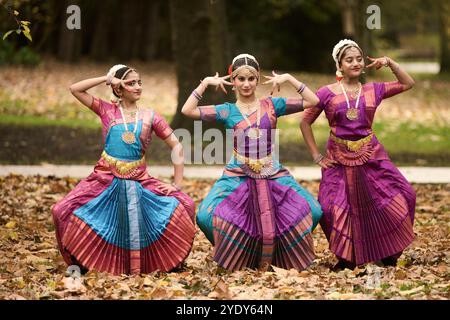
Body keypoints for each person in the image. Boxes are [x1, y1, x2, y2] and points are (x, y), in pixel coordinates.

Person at [182, 54, 323, 271]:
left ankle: (282, 253)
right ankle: (239, 252)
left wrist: (288, 78)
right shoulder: (226, 110)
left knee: (313, 210)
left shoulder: (273, 105)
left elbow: (313, 101)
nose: (246, 84)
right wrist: (205, 83)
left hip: (272, 171)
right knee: (204, 216)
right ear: (233, 81)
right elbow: (187, 111)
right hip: (238, 173)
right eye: (241, 79)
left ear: (257, 80)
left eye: (251, 79)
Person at [52, 64, 196, 275]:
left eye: (139, 82)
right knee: (60, 210)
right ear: (119, 88)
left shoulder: (150, 116)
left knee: (186, 204)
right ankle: (84, 263)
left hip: (139, 180)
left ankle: (160, 264)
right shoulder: (106, 110)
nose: (138, 87)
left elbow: (177, 145)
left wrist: (177, 183)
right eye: (131, 83)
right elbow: (75, 89)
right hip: (104, 179)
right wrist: (106, 78)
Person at [300, 39, 416, 270]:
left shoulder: (374, 89)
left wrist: (390, 62)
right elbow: (305, 122)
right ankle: (348, 257)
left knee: (405, 194)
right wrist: (316, 156)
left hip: (372, 155)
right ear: (340, 65)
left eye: (359, 59)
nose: (355, 63)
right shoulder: (326, 93)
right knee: (330, 207)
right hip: (338, 158)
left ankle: (386, 252)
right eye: (349, 59)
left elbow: (408, 83)